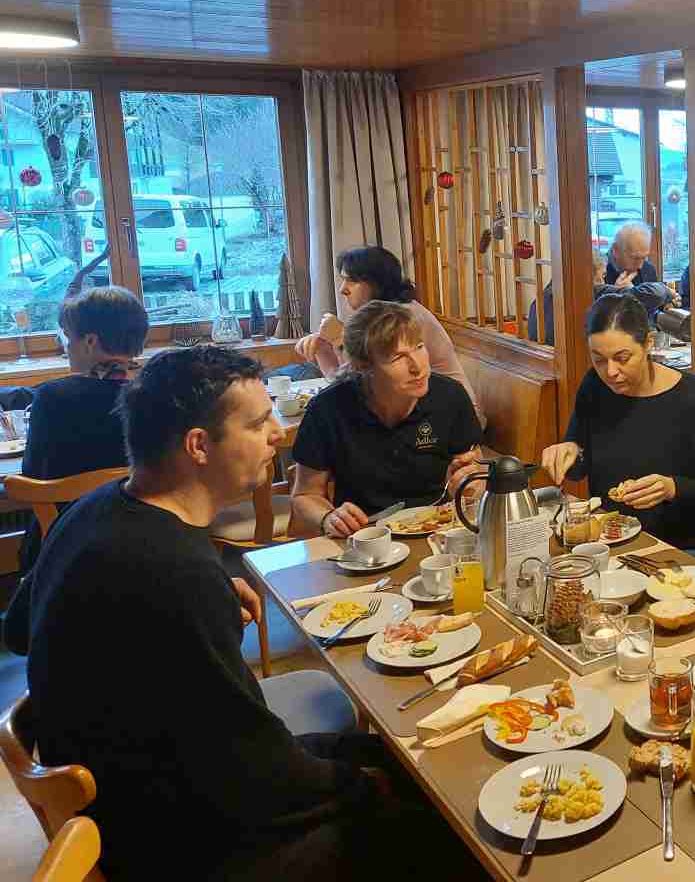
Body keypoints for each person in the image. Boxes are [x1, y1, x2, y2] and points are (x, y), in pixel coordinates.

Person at [3, 346, 470, 880]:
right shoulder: (173, 571)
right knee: (443, 817)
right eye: (257, 423)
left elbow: (18, 631)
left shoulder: (97, 509)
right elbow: (253, 773)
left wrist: (203, 596)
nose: (277, 433)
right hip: (176, 841)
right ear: (199, 446)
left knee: (395, 755)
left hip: (139, 783)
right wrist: (363, 789)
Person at [541, 294, 695, 566]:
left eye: (622, 358)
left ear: (648, 343)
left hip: (691, 548)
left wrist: (672, 488)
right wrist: (569, 452)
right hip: (617, 542)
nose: (610, 371)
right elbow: (578, 469)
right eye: (599, 360)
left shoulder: (693, 399)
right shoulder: (595, 387)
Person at [290, 302, 486, 537]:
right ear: (363, 366)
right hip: (364, 535)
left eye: (419, 347)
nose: (418, 367)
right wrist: (328, 517)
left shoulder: (450, 396)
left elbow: (475, 474)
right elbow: (305, 495)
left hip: (438, 529)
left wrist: (469, 485)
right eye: (397, 358)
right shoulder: (328, 408)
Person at [17, 286, 149, 571]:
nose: (65, 347)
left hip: (66, 545)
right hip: (145, 538)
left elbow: (32, 475)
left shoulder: (52, 397)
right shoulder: (153, 394)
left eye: (68, 338)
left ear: (90, 341)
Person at [294, 246, 480, 421]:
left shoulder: (403, 317)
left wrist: (339, 337)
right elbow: (344, 385)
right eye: (343, 279)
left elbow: (355, 382)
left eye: (352, 280)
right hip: (415, 410)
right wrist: (323, 349)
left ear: (377, 283)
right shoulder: (379, 317)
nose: (343, 289)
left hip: (454, 416)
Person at [529, 249, 675, 346]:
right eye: (603, 275)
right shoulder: (590, 292)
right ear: (589, 274)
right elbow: (654, 294)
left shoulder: (539, 300)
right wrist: (667, 290)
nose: (604, 281)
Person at [605, 220, 660, 287]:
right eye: (635, 258)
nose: (640, 266)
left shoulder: (649, 270)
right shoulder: (599, 272)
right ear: (616, 250)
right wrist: (615, 292)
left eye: (644, 258)